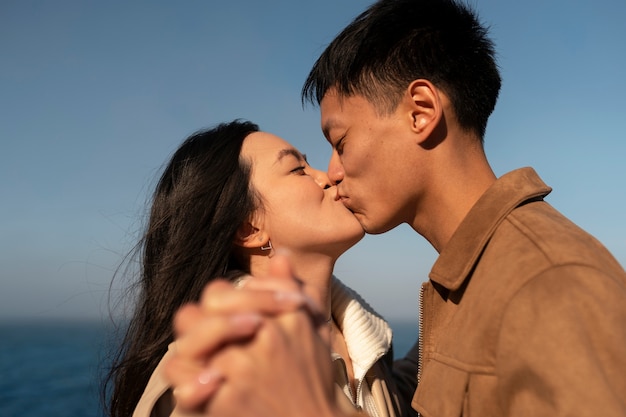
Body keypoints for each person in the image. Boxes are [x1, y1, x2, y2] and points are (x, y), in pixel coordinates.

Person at [164, 0, 626, 416]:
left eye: (340, 142)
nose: (332, 172)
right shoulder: (463, 293)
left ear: (420, 113)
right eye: (301, 167)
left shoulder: (549, 284)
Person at [101, 119, 417, 417]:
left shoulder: (361, 340)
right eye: (298, 169)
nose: (328, 176)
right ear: (248, 230)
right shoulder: (218, 375)